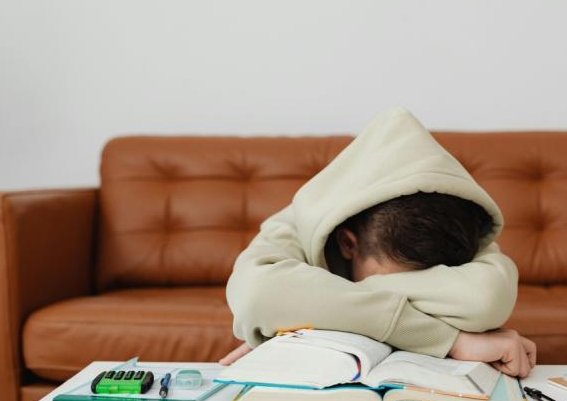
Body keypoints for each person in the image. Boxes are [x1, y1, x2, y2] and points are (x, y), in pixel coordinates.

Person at [222, 106, 537, 377]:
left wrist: (304, 309)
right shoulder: (297, 221)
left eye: (429, 282)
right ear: (348, 244)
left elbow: (484, 299)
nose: (408, 292)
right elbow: (257, 295)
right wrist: (449, 340)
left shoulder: (457, 222)